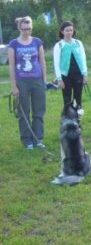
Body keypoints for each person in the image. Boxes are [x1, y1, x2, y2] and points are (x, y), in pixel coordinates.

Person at [8, 16, 48, 149]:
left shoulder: (37, 42)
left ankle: (38, 139)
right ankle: (27, 141)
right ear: (19, 28)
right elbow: (12, 66)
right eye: (24, 29)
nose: (27, 32)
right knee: (23, 112)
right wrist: (14, 86)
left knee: (39, 111)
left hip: (37, 81)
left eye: (29, 29)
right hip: (21, 82)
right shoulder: (13, 44)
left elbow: (42, 62)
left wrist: (44, 80)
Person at [53, 21, 89, 113]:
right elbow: (56, 63)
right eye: (67, 30)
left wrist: (85, 74)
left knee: (78, 98)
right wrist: (59, 79)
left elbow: (83, 58)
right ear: (62, 31)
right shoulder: (59, 45)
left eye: (71, 30)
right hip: (65, 76)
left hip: (78, 74)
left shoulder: (78, 43)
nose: (69, 32)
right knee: (67, 99)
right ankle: (68, 119)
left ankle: (77, 120)